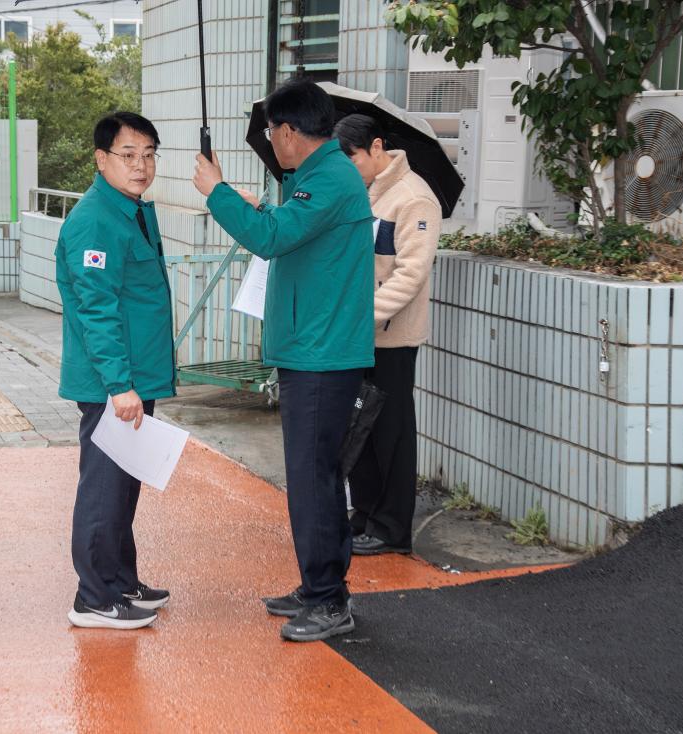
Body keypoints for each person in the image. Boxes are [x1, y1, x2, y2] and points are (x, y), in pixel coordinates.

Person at [193, 79, 374, 642]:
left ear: (290, 132)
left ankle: (328, 600)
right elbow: (288, 232)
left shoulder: (329, 179)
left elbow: (271, 239)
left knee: (312, 478)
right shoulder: (316, 178)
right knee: (311, 476)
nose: (271, 141)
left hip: (321, 355)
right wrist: (253, 205)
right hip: (313, 350)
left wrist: (217, 192)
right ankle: (319, 585)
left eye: (273, 131)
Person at [56, 112, 175, 630]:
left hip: (134, 377)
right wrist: (119, 385)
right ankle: (94, 597)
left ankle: (121, 579)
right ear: (101, 159)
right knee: (104, 487)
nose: (141, 165)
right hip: (114, 383)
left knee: (125, 483)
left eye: (149, 154)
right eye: (128, 155)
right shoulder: (95, 220)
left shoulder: (129, 209)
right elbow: (95, 308)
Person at [334, 114, 442, 556]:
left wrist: (362, 316)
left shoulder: (415, 198)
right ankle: (365, 514)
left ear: (376, 147)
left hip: (391, 337)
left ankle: (393, 527)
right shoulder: (364, 193)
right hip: (359, 334)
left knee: (392, 433)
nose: (348, 167)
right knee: (361, 428)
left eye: (352, 157)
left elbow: (410, 274)